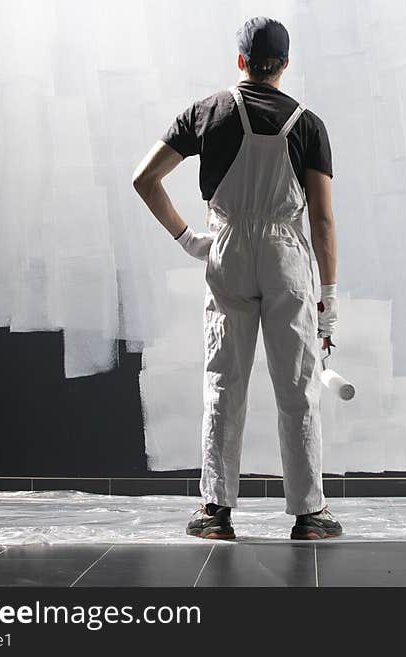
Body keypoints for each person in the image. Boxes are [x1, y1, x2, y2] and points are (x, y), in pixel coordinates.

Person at [132, 16, 342, 541]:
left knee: (225, 381)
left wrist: (189, 240)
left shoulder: (206, 113)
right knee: (296, 385)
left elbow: (145, 179)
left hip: (226, 250)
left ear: (241, 60)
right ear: (285, 65)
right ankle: (309, 516)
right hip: (285, 256)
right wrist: (329, 298)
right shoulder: (308, 124)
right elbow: (321, 220)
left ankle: (215, 513)